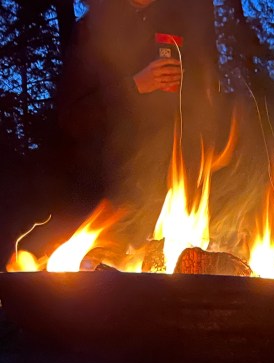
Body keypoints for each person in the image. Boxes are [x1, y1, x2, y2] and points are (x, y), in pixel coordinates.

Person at [56, 0, 220, 244]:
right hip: (108, 195)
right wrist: (134, 87)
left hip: (172, 186)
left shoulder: (180, 23)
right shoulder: (92, 31)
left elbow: (206, 95)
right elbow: (72, 115)